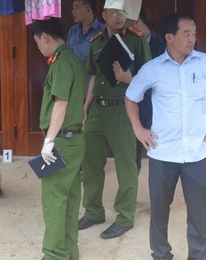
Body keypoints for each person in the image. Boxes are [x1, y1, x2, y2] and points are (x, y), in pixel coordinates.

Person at [125, 13, 206, 260]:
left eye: (194, 33)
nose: (192, 38)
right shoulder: (153, 69)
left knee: (198, 211)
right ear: (169, 38)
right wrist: (139, 129)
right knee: (160, 209)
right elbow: (131, 98)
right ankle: (161, 257)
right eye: (186, 33)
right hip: (163, 153)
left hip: (197, 153)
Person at [77, 0, 151, 238]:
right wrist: (85, 108)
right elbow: (93, 77)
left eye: (122, 12)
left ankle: (125, 216)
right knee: (90, 162)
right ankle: (94, 211)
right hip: (98, 109)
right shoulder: (96, 42)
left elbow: (150, 78)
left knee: (126, 165)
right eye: (114, 13)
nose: (119, 17)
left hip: (123, 109)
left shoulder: (136, 39)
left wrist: (128, 78)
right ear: (104, 14)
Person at [26, 18, 87, 260]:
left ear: (45, 37)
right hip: (75, 139)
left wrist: (48, 142)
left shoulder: (61, 63)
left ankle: (54, 254)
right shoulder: (73, 59)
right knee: (71, 195)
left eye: (37, 42)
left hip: (61, 139)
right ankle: (70, 248)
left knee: (53, 198)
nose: (38, 48)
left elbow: (60, 104)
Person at [128, 7, 167, 173]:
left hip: (158, 106)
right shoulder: (129, 42)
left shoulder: (162, 43)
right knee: (133, 150)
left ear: (136, 20)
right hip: (136, 105)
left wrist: (128, 79)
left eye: (127, 22)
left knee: (159, 148)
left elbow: (161, 79)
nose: (124, 26)